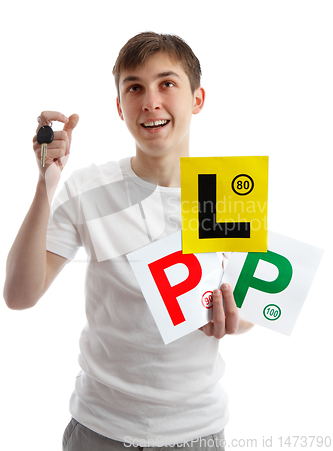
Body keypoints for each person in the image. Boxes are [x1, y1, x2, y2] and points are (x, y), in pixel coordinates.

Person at [3, 32, 254, 451]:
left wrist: (234, 321)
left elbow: (247, 307)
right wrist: (45, 185)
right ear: (120, 107)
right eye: (134, 87)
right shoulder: (88, 189)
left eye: (167, 83)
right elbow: (19, 295)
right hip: (100, 429)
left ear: (198, 99)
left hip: (197, 430)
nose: (150, 100)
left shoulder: (224, 191)